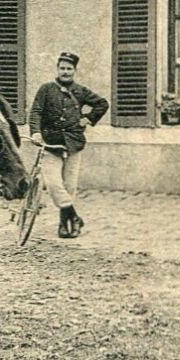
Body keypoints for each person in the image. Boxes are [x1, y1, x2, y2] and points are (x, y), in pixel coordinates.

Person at [27, 52, 109, 238]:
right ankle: (75, 217)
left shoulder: (80, 91)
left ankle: (65, 224)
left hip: (74, 143)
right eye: (62, 68)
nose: (65, 72)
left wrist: (88, 119)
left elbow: (102, 104)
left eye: (69, 69)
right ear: (57, 69)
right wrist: (36, 132)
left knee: (69, 186)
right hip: (51, 143)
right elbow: (36, 111)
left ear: (74, 71)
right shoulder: (46, 89)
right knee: (54, 184)